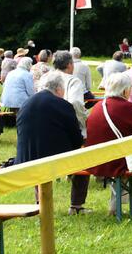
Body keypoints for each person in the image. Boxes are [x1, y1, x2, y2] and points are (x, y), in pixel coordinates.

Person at [85, 73, 132, 217]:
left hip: (95, 160)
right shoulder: (131, 108)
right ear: (125, 90)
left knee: (123, 156)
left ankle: (115, 208)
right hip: (117, 161)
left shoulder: (96, 107)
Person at [15, 74, 91, 214]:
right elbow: (76, 136)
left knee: (38, 155)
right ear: (58, 89)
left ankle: (40, 203)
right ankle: (76, 206)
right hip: (52, 159)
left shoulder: (26, 103)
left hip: (25, 158)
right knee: (84, 162)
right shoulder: (63, 105)